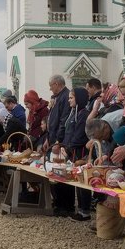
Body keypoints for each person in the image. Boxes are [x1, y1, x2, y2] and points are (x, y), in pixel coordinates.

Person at [58, 87, 92, 222]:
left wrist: (68, 147)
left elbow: (79, 135)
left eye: (71, 98)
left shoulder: (83, 114)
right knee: (77, 180)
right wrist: (64, 146)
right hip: (72, 151)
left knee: (82, 179)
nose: (69, 100)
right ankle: (81, 209)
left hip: (80, 151)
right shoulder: (73, 113)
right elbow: (68, 132)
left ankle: (85, 211)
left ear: (78, 98)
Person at [46, 75, 72, 216]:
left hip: (59, 141)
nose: (50, 88)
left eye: (51, 85)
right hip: (53, 137)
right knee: (55, 172)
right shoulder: (57, 97)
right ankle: (58, 202)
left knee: (62, 172)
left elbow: (63, 120)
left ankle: (65, 205)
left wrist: (58, 140)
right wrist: (48, 137)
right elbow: (52, 119)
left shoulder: (65, 97)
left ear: (56, 84)